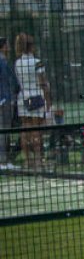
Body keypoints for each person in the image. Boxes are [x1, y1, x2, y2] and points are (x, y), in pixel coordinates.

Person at [14, 33, 50, 171]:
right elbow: (42, 82)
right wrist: (47, 98)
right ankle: (38, 160)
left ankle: (27, 160)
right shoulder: (37, 62)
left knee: (25, 127)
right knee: (36, 130)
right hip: (36, 95)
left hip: (23, 96)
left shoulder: (17, 62)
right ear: (31, 46)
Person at [0, 37, 19, 169]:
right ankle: (3, 161)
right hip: (4, 100)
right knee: (3, 130)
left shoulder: (4, 61)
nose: (9, 47)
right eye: (7, 45)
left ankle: (5, 160)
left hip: (6, 99)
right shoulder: (2, 62)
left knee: (5, 131)